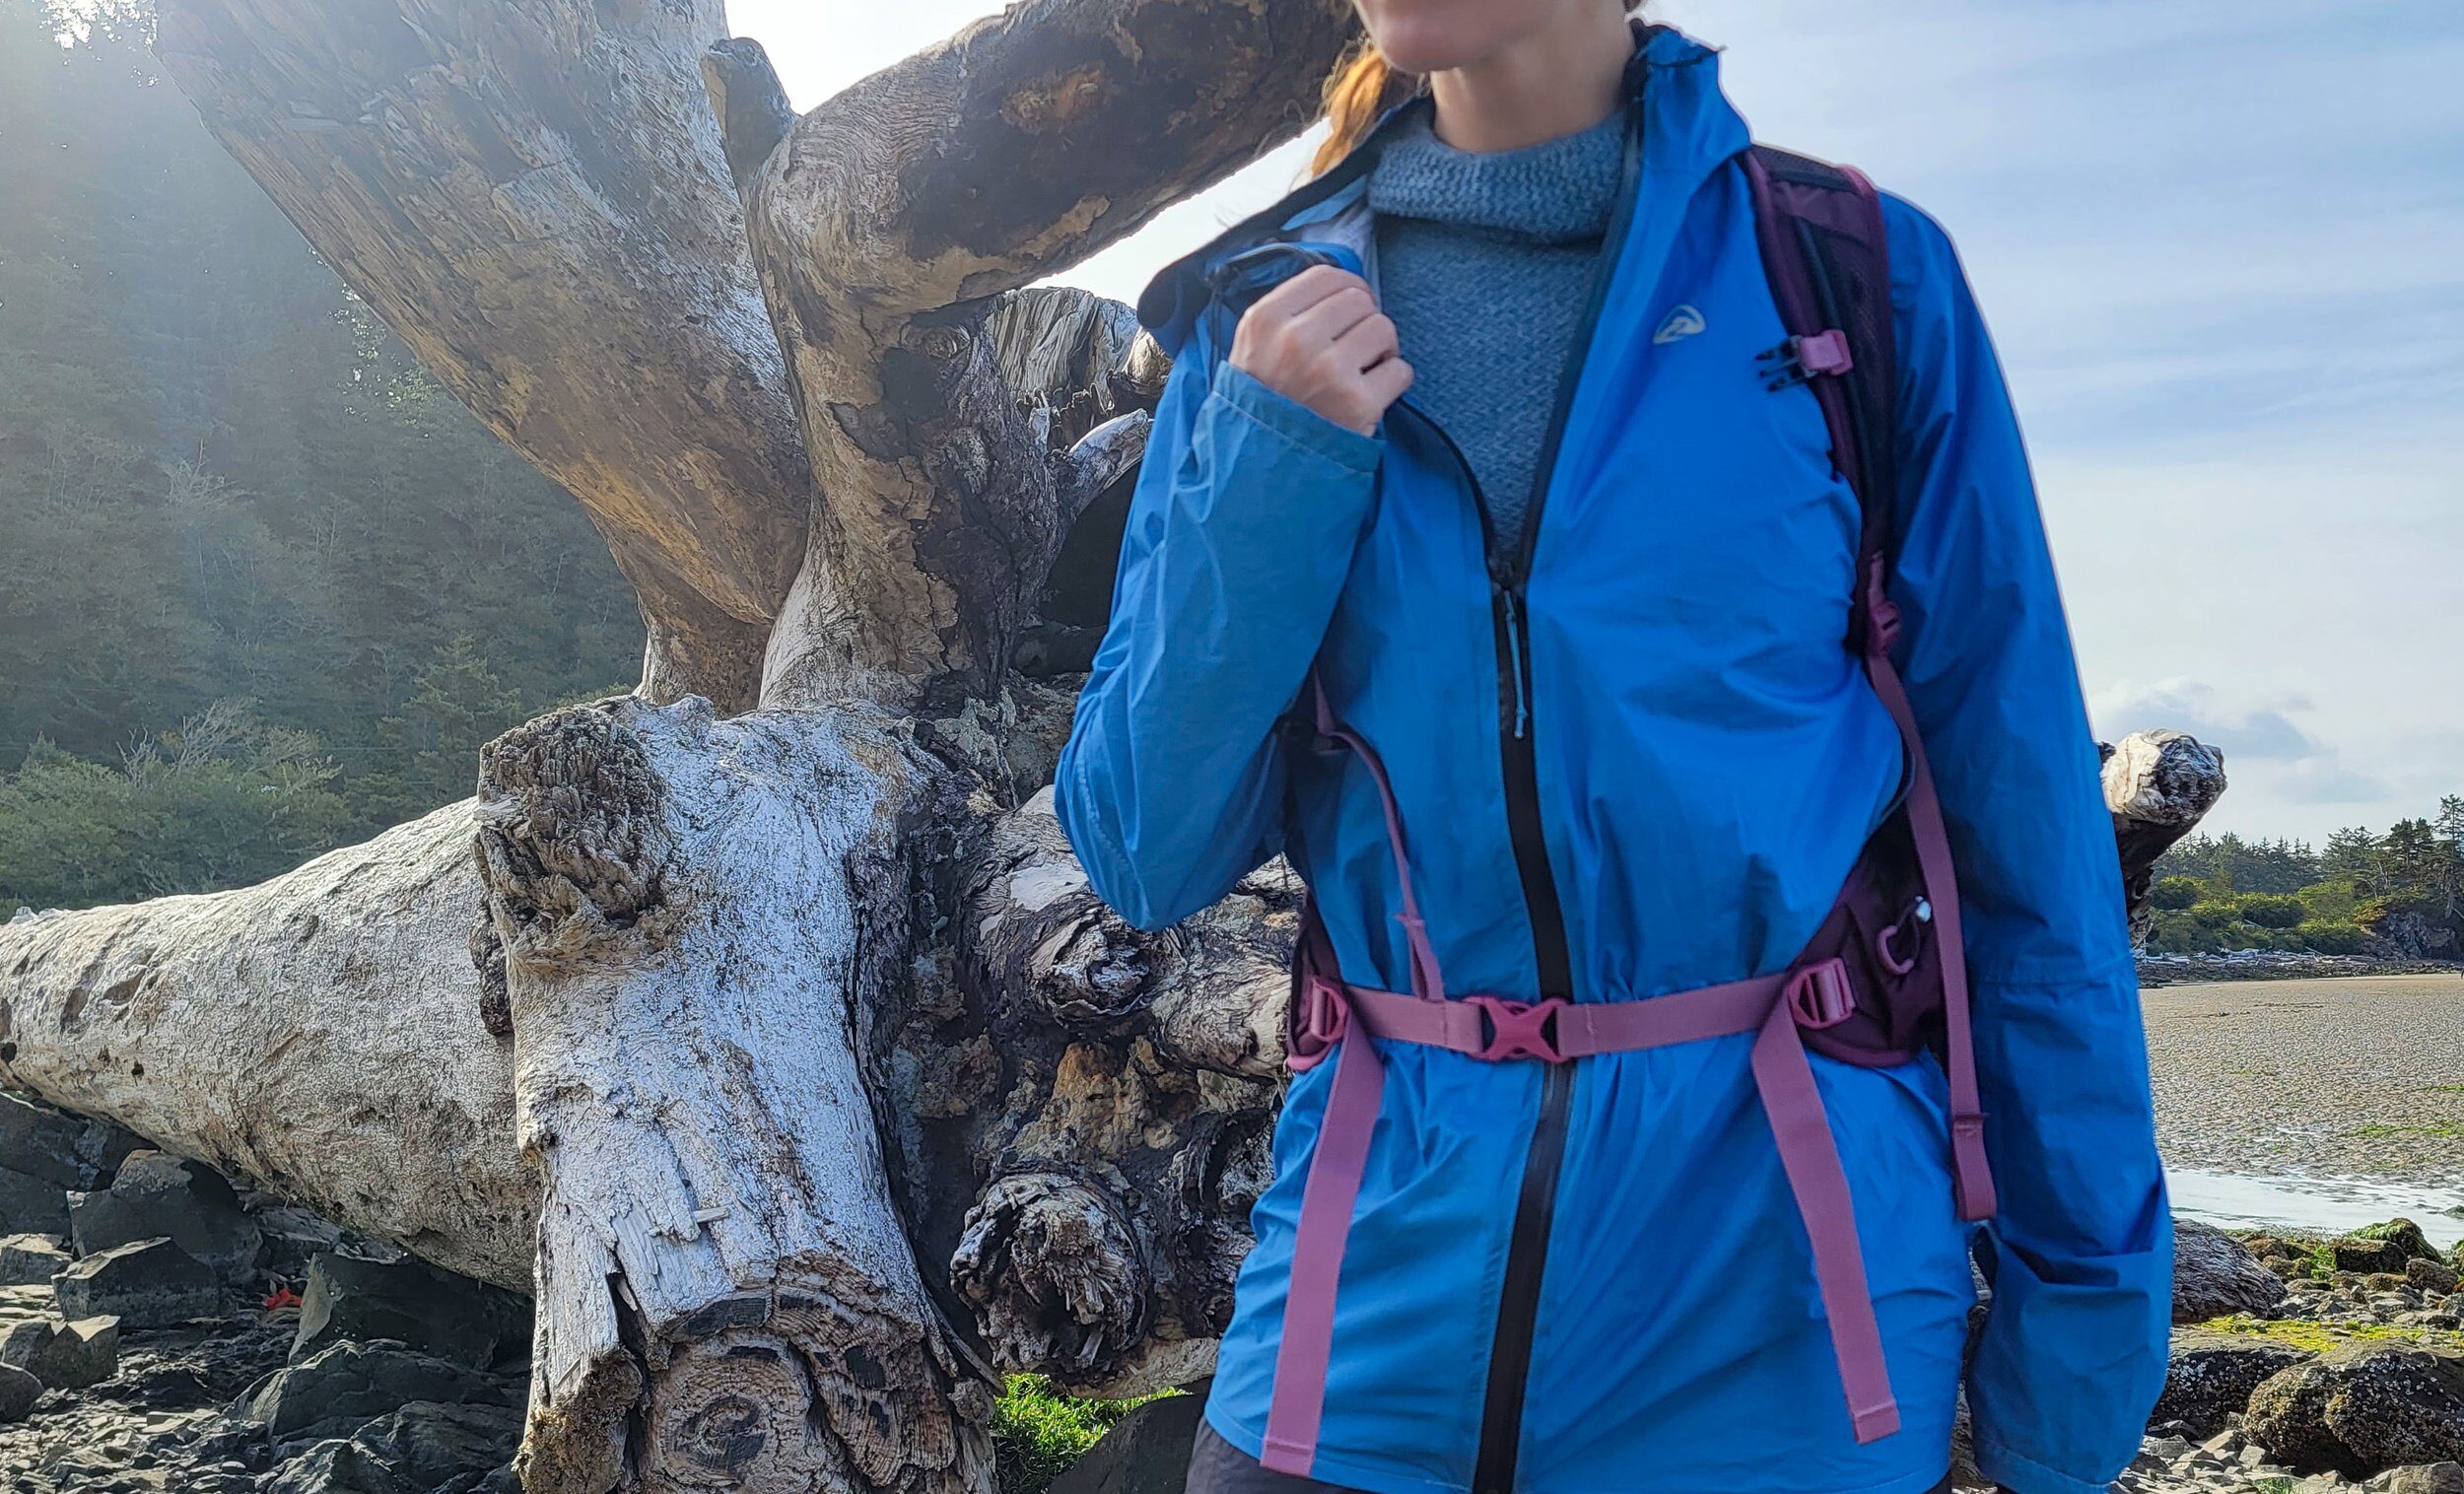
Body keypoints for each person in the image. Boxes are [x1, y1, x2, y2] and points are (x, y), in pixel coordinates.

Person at [1054, 4, 2172, 1493]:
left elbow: (2028, 858)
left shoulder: (1849, 279)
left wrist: (2075, 1360)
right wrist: (1269, 471)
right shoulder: (1252, 321)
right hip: (1351, 1344)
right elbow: (1142, 845)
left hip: (1785, 1338)